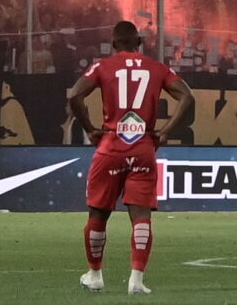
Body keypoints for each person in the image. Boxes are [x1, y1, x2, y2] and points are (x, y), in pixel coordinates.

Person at [66, 20, 191, 295]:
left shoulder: (103, 67)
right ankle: (136, 279)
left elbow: (75, 95)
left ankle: (95, 275)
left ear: (113, 44)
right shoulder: (157, 68)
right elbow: (187, 96)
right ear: (140, 43)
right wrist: (165, 132)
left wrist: (90, 129)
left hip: (111, 145)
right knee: (141, 215)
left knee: (98, 213)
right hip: (143, 146)